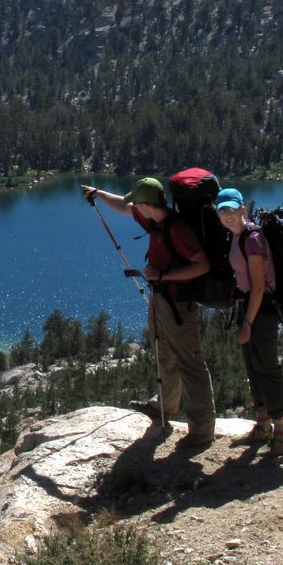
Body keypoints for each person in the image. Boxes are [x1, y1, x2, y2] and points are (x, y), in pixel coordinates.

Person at [82, 178, 216, 448]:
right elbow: (122, 205)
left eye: (137, 202)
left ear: (145, 204)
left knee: (189, 362)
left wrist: (165, 275)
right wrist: (98, 193)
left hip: (178, 304)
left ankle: (202, 431)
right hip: (161, 299)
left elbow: (202, 265)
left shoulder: (176, 228)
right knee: (163, 351)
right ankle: (163, 408)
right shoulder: (155, 221)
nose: (134, 206)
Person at [215, 187, 283, 457]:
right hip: (249, 306)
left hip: (262, 310)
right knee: (253, 365)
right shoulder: (236, 236)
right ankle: (262, 427)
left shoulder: (252, 240)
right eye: (222, 210)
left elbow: (259, 286)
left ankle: (281, 436)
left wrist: (247, 323)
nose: (227, 215)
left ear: (243, 209)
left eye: (232, 209)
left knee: (268, 367)